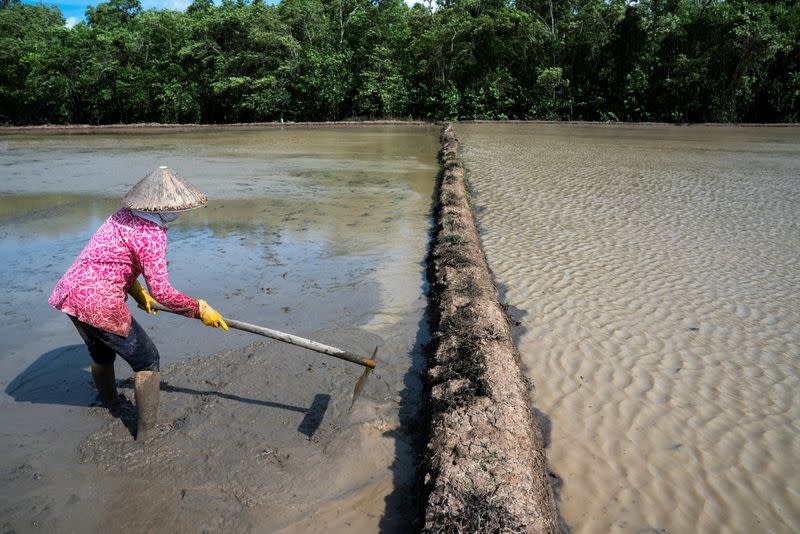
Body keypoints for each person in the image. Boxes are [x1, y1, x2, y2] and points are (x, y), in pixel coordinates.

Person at [49, 166, 228, 442]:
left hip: (71, 292)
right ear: (164, 208)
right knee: (147, 360)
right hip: (98, 302)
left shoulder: (121, 216)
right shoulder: (152, 236)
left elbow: (110, 259)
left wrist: (136, 291)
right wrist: (199, 309)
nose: (178, 213)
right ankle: (147, 434)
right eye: (175, 209)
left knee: (101, 353)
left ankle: (110, 403)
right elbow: (164, 292)